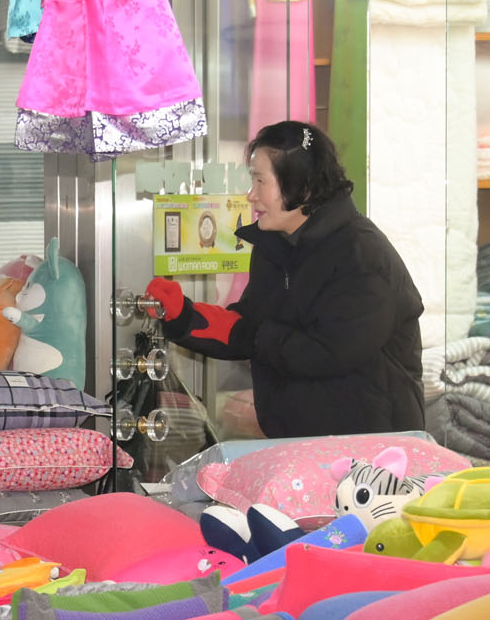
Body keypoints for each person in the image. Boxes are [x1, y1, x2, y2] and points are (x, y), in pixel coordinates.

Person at [145, 121, 424, 438]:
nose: (251, 195)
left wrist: (255, 335)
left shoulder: (362, 255)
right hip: (300, 446)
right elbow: (247, 326)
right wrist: (182, 314)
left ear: (303, 186)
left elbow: (328, 352)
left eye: (260, 181)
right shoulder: (274, 247)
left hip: (373, 451)